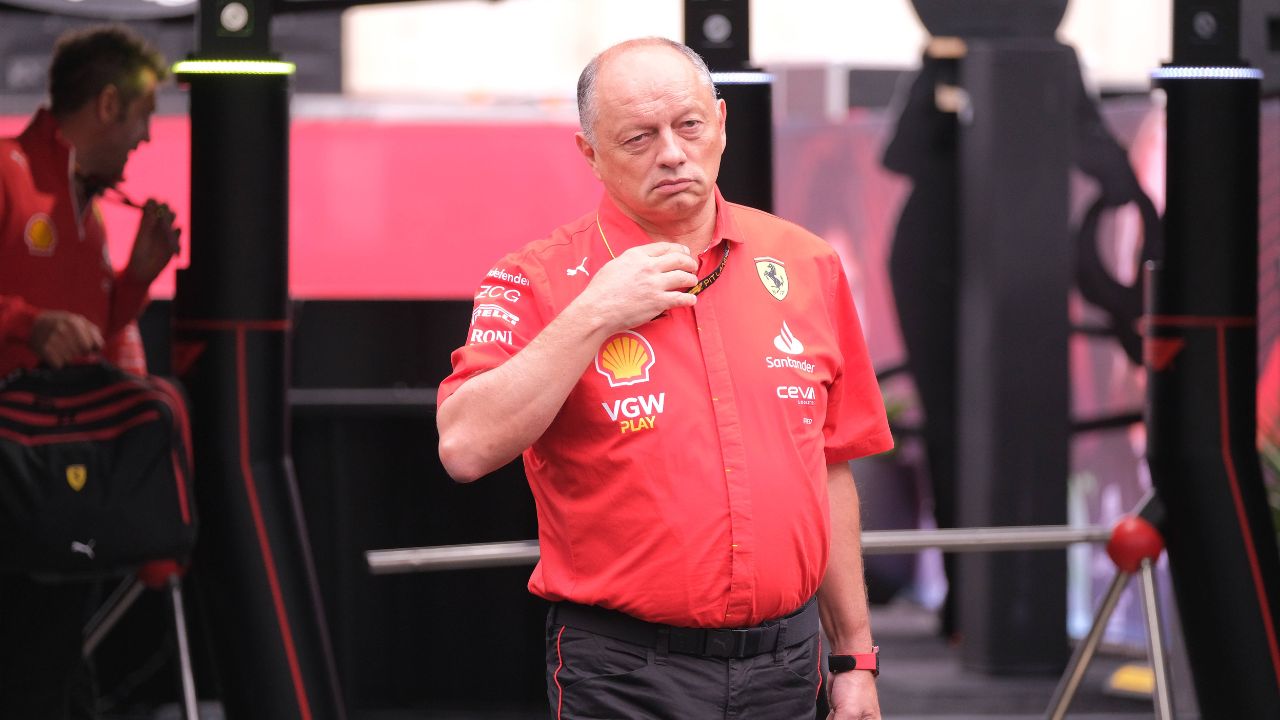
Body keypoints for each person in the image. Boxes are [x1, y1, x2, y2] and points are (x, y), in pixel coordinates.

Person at [437, 37, 892, 719]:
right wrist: (596, 312)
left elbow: (829, 468)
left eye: (689, 125)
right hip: (626, 672)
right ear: (590, 152)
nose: (673, 153)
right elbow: (465, 447)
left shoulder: (806, 263)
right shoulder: (535, 278)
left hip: (787, 667)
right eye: (639, 138)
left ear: (722, 123)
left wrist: (853, 658)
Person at [0, 24, 178, 718]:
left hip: (57, 482)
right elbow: (45, 328)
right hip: (15, 479)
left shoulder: (88, 210)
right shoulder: (8, 172)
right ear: (107, 105)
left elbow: (90, 337)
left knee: (52, 663)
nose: (145, 138)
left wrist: (137, 278)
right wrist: (28, 324)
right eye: (142, 116)